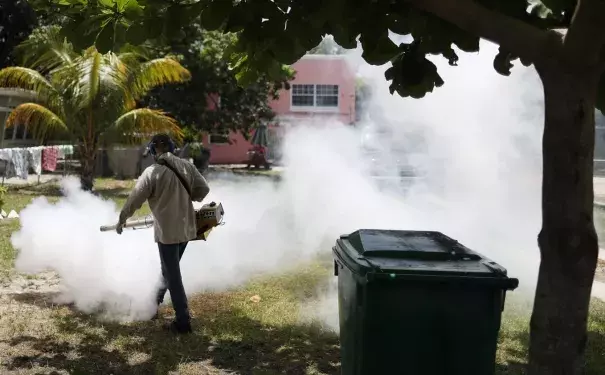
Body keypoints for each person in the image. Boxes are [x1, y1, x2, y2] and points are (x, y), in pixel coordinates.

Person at [116, 133, 210, 334]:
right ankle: (153, 305)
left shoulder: (152, 172)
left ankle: (183, 321)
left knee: (172, 275)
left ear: (152, 151)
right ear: (173, 147)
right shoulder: (187, 166)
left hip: (167, 233)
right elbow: (203, 190)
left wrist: (122, 218)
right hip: (187, 229)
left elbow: (134, 200)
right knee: (169, 271)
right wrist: (186, 196)